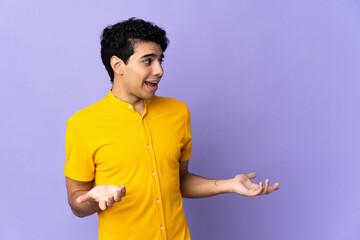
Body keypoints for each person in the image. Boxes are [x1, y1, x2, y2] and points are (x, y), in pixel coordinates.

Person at [65, 18, 279, 240]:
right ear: (118, 65)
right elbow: (76, 202)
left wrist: (230, 184)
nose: (159, 70)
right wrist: (93, 200)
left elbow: (178, 180)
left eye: (160, 60)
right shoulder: (83, 124)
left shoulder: (178, 112)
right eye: (148, 61)